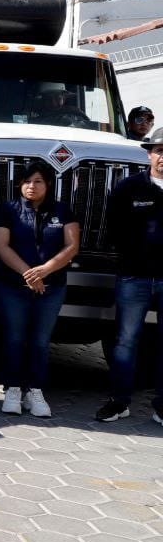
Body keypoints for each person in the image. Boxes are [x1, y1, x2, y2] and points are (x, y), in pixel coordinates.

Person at [0, 160, 79, 418]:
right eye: (27, 181)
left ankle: (36, 391)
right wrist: (29, 274)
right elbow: (1, 246)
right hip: (12, 285)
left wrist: (45, 271)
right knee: (15, 338)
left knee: (40, 341)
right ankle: (13, 389)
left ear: (48, 184)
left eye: (38, 181)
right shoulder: (8, 210)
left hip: (51, 286)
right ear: (20, 184)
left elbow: (71, 247)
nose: (31, 186)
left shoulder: (63, 211)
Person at [100, 130, 163, 423]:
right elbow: (114, 228)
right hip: (133, 277)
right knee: (125, 341)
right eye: (159, 150)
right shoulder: (129, 188)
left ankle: (161, 406)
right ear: (149, 153)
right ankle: (119, 401)